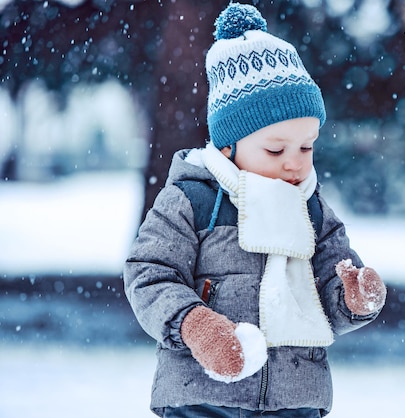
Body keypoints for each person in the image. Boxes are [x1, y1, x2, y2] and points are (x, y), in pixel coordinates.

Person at [123, 3, 386, 417]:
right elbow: (149, 274)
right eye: (276, 148)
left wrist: (352, 298)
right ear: (229, 146)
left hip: (294, 399)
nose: (294, 161)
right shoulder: (194, 198)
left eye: (306, 146)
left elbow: (329, 293)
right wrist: (194, 325)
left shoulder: (312, 210)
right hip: (203, 396)